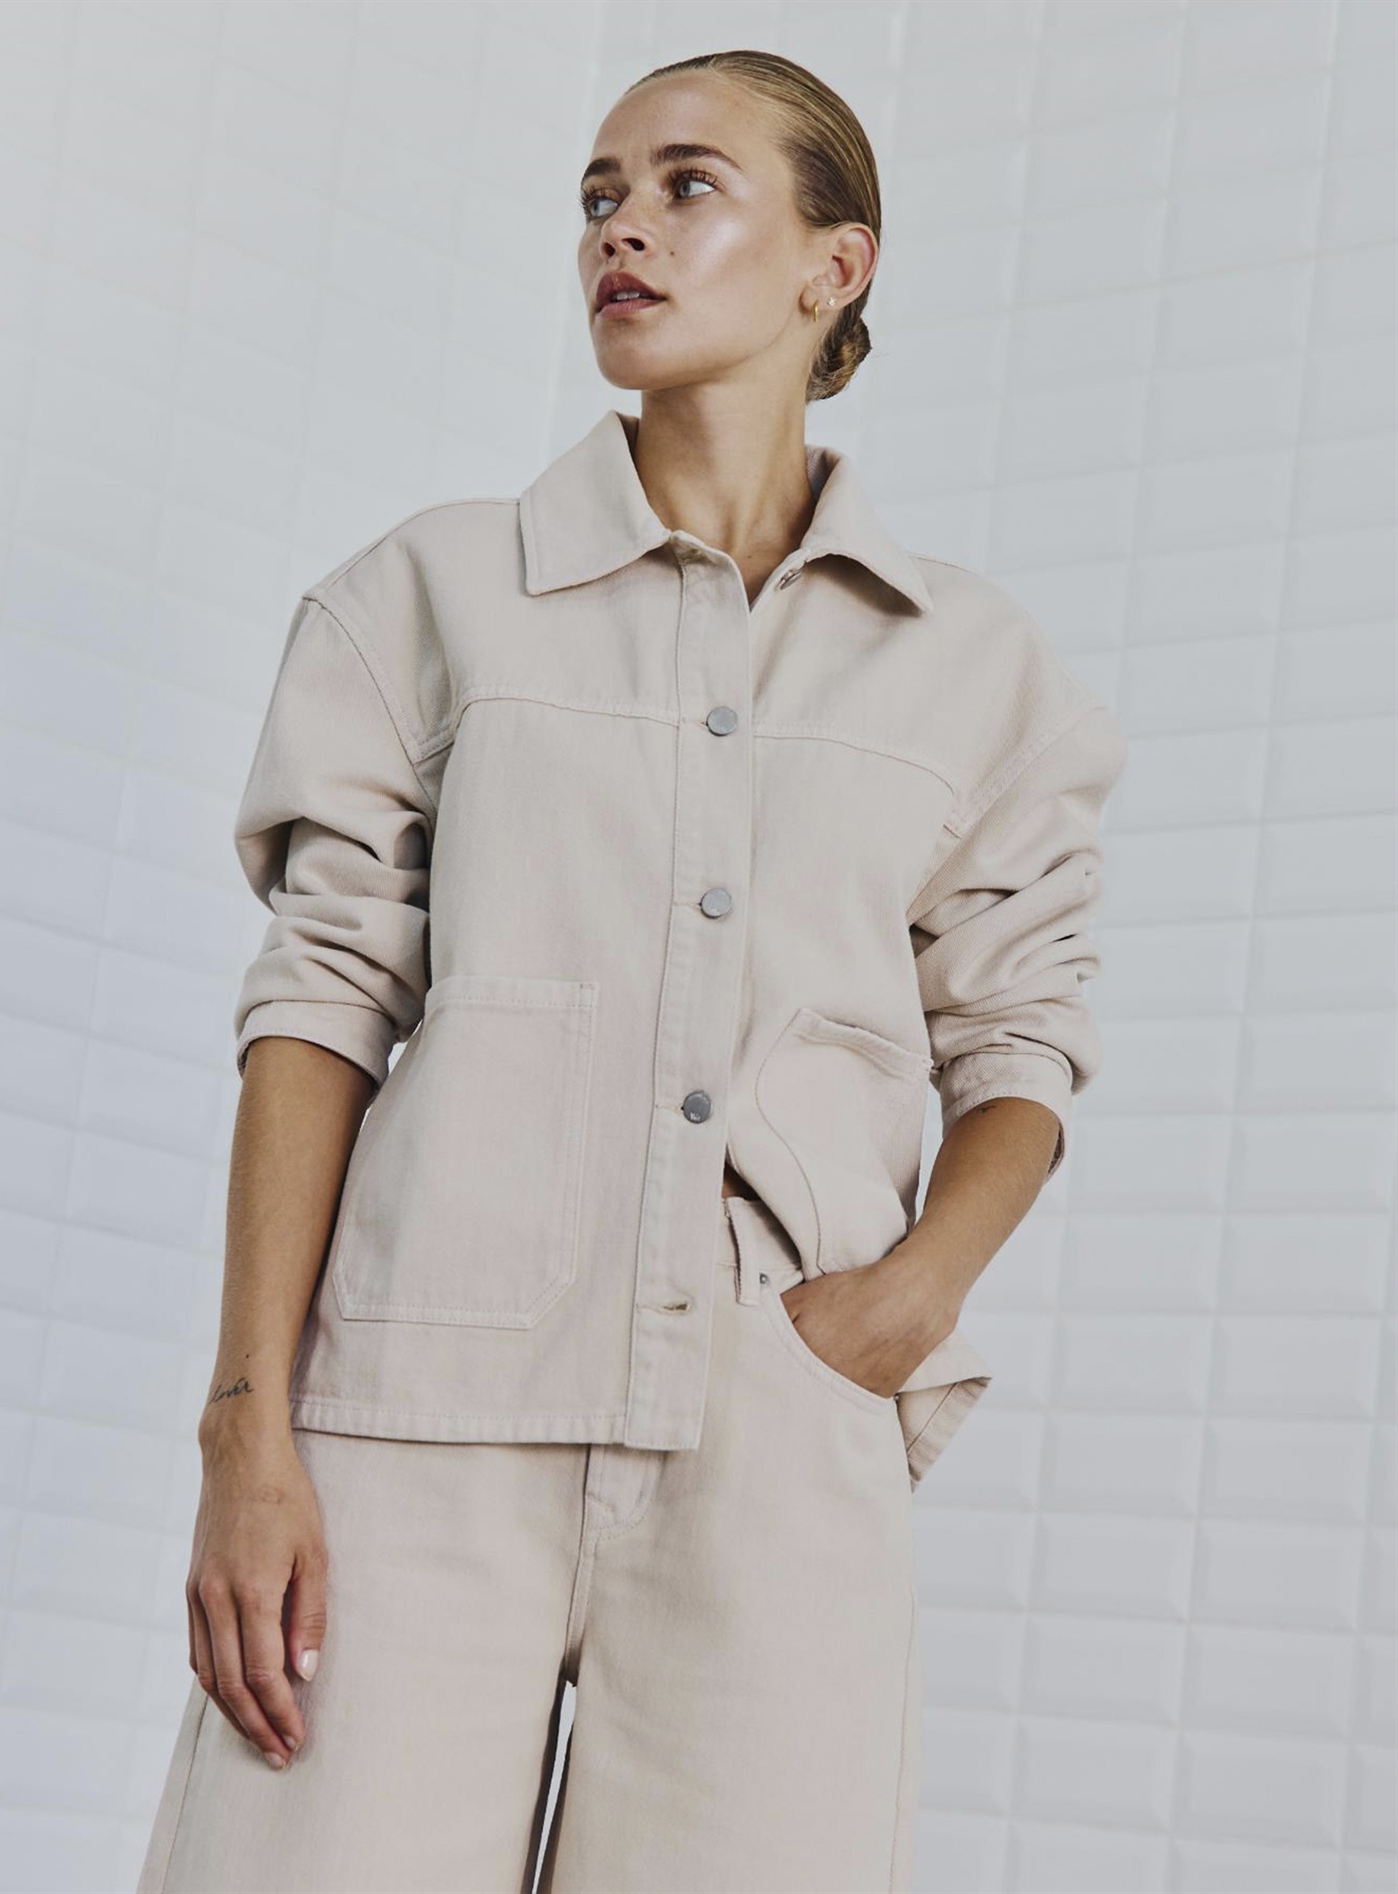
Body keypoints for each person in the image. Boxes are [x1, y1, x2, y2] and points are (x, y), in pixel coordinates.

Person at [136, 47, 1128, 1894]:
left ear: (838, 265)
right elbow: (320, 1001)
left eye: (686, 186)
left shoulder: (977, 670)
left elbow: (1023, 1037)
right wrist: (246, 1429)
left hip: (783, 1426)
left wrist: (903, 1308)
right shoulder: (428, 595)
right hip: (417, 1416)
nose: (624, 230)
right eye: (599, 195)